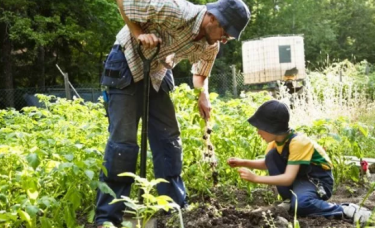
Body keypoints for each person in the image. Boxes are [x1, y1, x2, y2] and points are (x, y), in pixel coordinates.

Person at [96, 0, 251, 227]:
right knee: (123, 143)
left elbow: (200, 73)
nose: (224, 39)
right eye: (225, 33)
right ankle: (107, 219)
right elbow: (124, 2)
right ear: (212, 18)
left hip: (157, 69)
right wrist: (139, 33)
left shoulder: (211, 45)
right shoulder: (175, 10)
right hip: (127, 61)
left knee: (169, 140)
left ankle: (174, 211)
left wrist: (203, 95)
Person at [227, 100, 373, 226]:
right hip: (300, 179)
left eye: (260, 127)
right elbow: (267, 163)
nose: (258, 131)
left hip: (317, 180)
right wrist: (242, 162)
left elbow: (288, 178)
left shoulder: (298, 142)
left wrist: (256, 178)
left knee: (302, 206)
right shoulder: (275, 142)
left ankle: (347, 210)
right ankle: (290, 200)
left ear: (272, 128)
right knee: (271, 156)